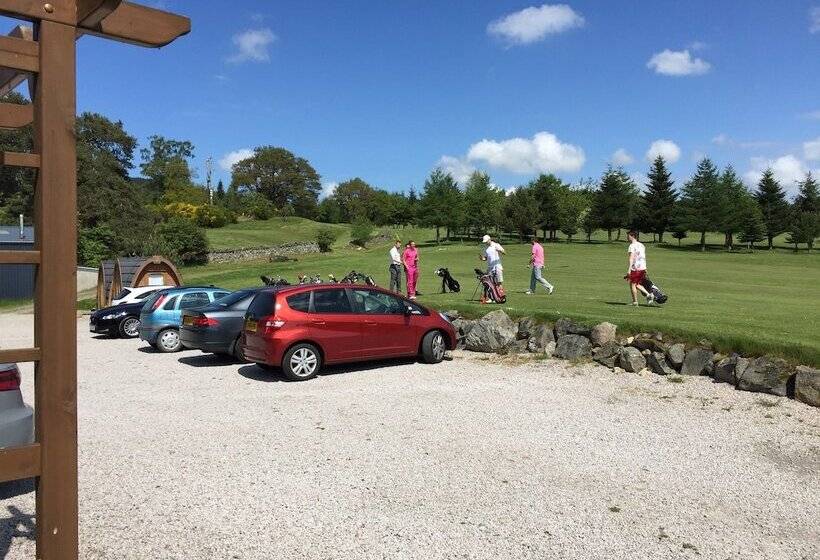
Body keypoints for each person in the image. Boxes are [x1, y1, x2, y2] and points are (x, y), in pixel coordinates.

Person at [626, 230, 653, 306]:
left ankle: (635, 302)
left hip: (636, 268)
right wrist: (645, 268)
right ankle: (648, 295)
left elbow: (631, 258)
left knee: (633, 284)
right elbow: (643, 257)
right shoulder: (642, 245)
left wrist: (629, 269)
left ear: (633, 236)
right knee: (636, 283)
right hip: (642, 268)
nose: (627, 237)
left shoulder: (632, 246)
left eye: (628, 236)